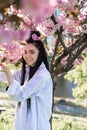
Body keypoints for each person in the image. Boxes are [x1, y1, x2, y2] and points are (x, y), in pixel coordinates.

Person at [1, 30, 53, 130]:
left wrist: (7, 73)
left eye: (32, 52)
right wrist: (5, 70)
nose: (27, 56)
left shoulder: (41, 75)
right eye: (25, 52)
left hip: (37, 126)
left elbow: (20, 95)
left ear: (40, 53)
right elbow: (8, 75)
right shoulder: (27, 71)